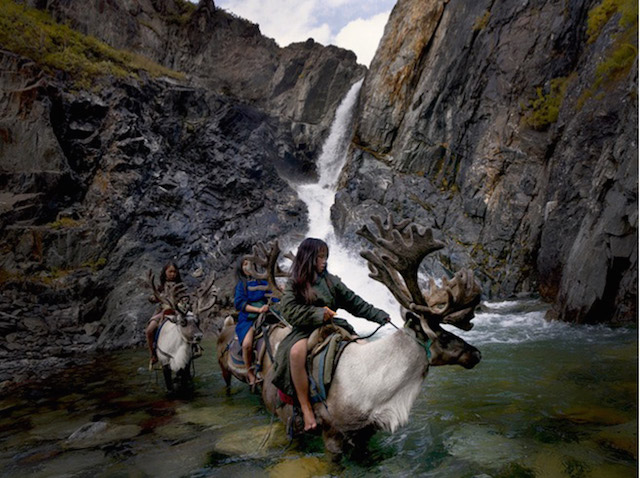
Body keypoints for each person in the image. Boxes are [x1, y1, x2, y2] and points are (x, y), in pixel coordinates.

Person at [271, 238, 390, 431]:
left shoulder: (330, 280)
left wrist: (380, 316)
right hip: (305, 329)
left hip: (333, 326)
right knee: (295, 354)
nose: (324, 261)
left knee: (363, 346)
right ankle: (306, 408)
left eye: (325, 256)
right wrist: (318, 313)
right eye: (319, 257)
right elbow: (289, 310)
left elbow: (355, 303)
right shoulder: (295, 283)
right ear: (308, 258)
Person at [234, 257, 275, 386]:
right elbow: (240, 304)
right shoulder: (242, 285)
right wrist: (258, 310)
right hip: (249, 318)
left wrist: (277, 295)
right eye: (244, 264)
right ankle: (250, 373)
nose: (247, 266)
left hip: (268, 315)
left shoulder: (263, 282)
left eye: (249, 263)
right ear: (241, 268)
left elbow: (272, 297)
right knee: (247, 344)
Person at [146, 262, 182, 364]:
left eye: (174, 272)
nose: (172, 274)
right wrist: (156, 297)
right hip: (162, 312)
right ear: (165, 272)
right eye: (170, 271)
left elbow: (185, 298)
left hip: (177, 312)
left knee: (190, 324)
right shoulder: (160, 287)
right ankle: (153, 354)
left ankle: (194, 347)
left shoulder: (180, 286)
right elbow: (151, 297)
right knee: (149, 330)